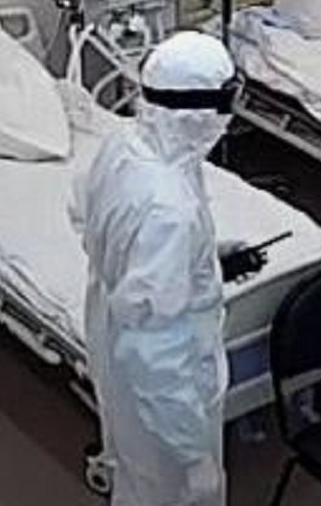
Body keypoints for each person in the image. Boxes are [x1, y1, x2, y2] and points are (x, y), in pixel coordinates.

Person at [71, 31, 238, 506]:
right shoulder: (169, 212)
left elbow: (85, 214)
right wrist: (192, 454)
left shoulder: (126, 145)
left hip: (111, 322)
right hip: (165, 389)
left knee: (134, 470)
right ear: (201, 112)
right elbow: (155, 353)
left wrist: (200, 258)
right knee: (165, 490)